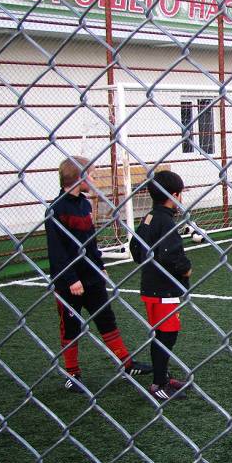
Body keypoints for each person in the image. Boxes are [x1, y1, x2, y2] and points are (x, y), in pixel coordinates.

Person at [46, 156, 152, 394]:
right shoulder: (56, 209)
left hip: (92, 277)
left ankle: (127, 364)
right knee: (70, 327)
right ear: (79, 177)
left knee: (106, 319)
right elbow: (57, 250)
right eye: (91, 175)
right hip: (68, 283)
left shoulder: (84, 204)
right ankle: (72, 374)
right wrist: (71, 279)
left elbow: (90, 242)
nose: (94, 179)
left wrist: (99, 265)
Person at [129, 170, 192, 402]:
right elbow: (170, 255)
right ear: (173, 195)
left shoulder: (149, 217)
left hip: (150, 287)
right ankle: (159, 384)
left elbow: (136, 248)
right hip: (164, 290)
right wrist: (185, 268)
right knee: (167, 335)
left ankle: (162, 375)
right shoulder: (166, 221)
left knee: (161, 334)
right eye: (180, 195)